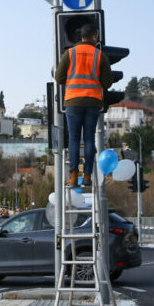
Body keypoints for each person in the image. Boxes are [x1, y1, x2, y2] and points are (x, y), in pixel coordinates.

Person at [54, 22, 112, 188]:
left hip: (73, 101)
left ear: (81, 37)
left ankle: (73, 177)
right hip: (93, 102)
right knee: (88, 139)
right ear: (94, 36)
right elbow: (107, 83)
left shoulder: (69, 53)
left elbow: (58, 78)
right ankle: (87, 176)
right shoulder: (100, 55)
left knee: (73, 139)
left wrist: (72, 81)